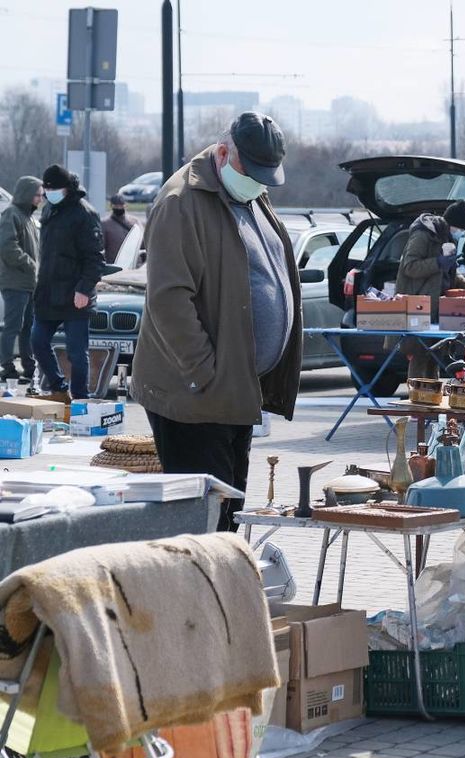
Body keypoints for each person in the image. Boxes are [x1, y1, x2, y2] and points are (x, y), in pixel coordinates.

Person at [132, 112, 302, 532]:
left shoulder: (247, 193)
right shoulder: (180, 203)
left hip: (233, 393)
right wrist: (205, 373)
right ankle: (196, 598)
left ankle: (221, 595)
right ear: (224, 153)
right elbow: (169, 300)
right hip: (196, 400)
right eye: (254, 173)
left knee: (227, 518)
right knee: (200, 527)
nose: (261, 183)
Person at [31, 165, 105, 401]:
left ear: (66, 189)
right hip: (48, 292)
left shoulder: (84, 214)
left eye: (53, 189)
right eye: (46, 189)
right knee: (38, 341)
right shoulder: (49, 210)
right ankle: (59, 388)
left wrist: (84, 289)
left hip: (75, 294)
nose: (48, 193)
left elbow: (95, 259)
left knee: (76, 351)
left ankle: (80, 398)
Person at [395, 199, 465, 378]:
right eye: (460, 229)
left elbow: (447, 275)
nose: (460, 233)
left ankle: (432, 397)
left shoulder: (446, 239)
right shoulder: (424, 235)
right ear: (452, 224)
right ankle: (417, 396)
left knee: (436, 355)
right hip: (420, 306)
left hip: (439, 307)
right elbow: (409, 266)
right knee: (420, 355)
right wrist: (437, 262)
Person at [0, 176, 42, 383]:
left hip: (29, 283)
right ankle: (7, 367)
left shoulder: (29, 218)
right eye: (37, 195)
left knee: (28, 327)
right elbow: (7, 247)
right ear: (27, 193)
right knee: (13, 326)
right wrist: (30, 264)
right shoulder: (11, 214)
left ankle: (29, 366)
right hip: (15, 283)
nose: (40, 199)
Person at [101, 193, 140, 263]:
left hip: (133, 264)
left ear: (126, 205)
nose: (119, 208)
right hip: (114, 264)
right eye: (116, 206)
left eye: (121, 205)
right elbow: (101, 246)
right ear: (111, 206)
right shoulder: (104, 224)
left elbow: (142, 243)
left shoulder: (135, 222)